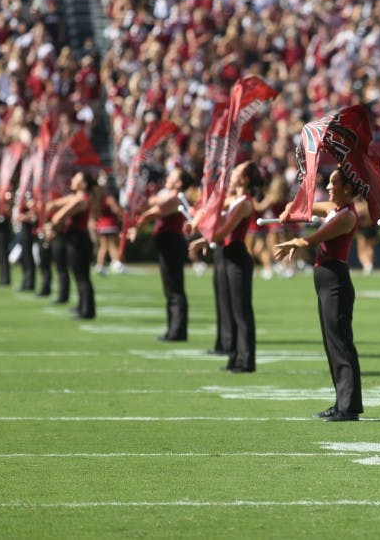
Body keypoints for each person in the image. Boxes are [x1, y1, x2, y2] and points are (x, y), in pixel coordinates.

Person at [275, 169, 363, 422]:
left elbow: (314, 238)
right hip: (326, 282)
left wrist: (296, 241)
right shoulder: (335, 209)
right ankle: (341, 402)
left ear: (348, 188)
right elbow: (304, 206)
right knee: (331, 344)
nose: (329, 187)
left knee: (340, 344)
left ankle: (349, 407)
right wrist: (290, 210)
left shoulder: (347, 216)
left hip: (336, 282)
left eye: (335, 182)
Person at [190, 161, 262, 372]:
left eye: (237, 171)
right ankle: (235, 357)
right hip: (230, 255)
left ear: (245, 179)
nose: (233, 174)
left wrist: (204, 239)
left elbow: (224, 231)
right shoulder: (235, 201)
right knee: (231, 309)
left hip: (237, 256)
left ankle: (246, 360)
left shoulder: (245, 203)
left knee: (241, 311)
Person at [131, 168, 193, 342]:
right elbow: (149, 203)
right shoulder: (169, 196)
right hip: (167, 244)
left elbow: (156, 211)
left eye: (173, 176)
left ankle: (177, 331)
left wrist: (138, 224)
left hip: (172, 243)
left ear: (179, 183)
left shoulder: (177, 198)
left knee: (174, 289)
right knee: (170, 289)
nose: (168, 177)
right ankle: (173, 329)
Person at [45, 170, 97, 319]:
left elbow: (58, 216)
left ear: (84, 184)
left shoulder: (81, 199)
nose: (73, 180)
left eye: (77, 178)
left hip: (78, 240)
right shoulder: (78, 197)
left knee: (82, 276)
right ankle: (82, 307)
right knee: (79, 275)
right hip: (76, 239)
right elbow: (53, 205)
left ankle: (87, 311)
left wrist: (51, 227)